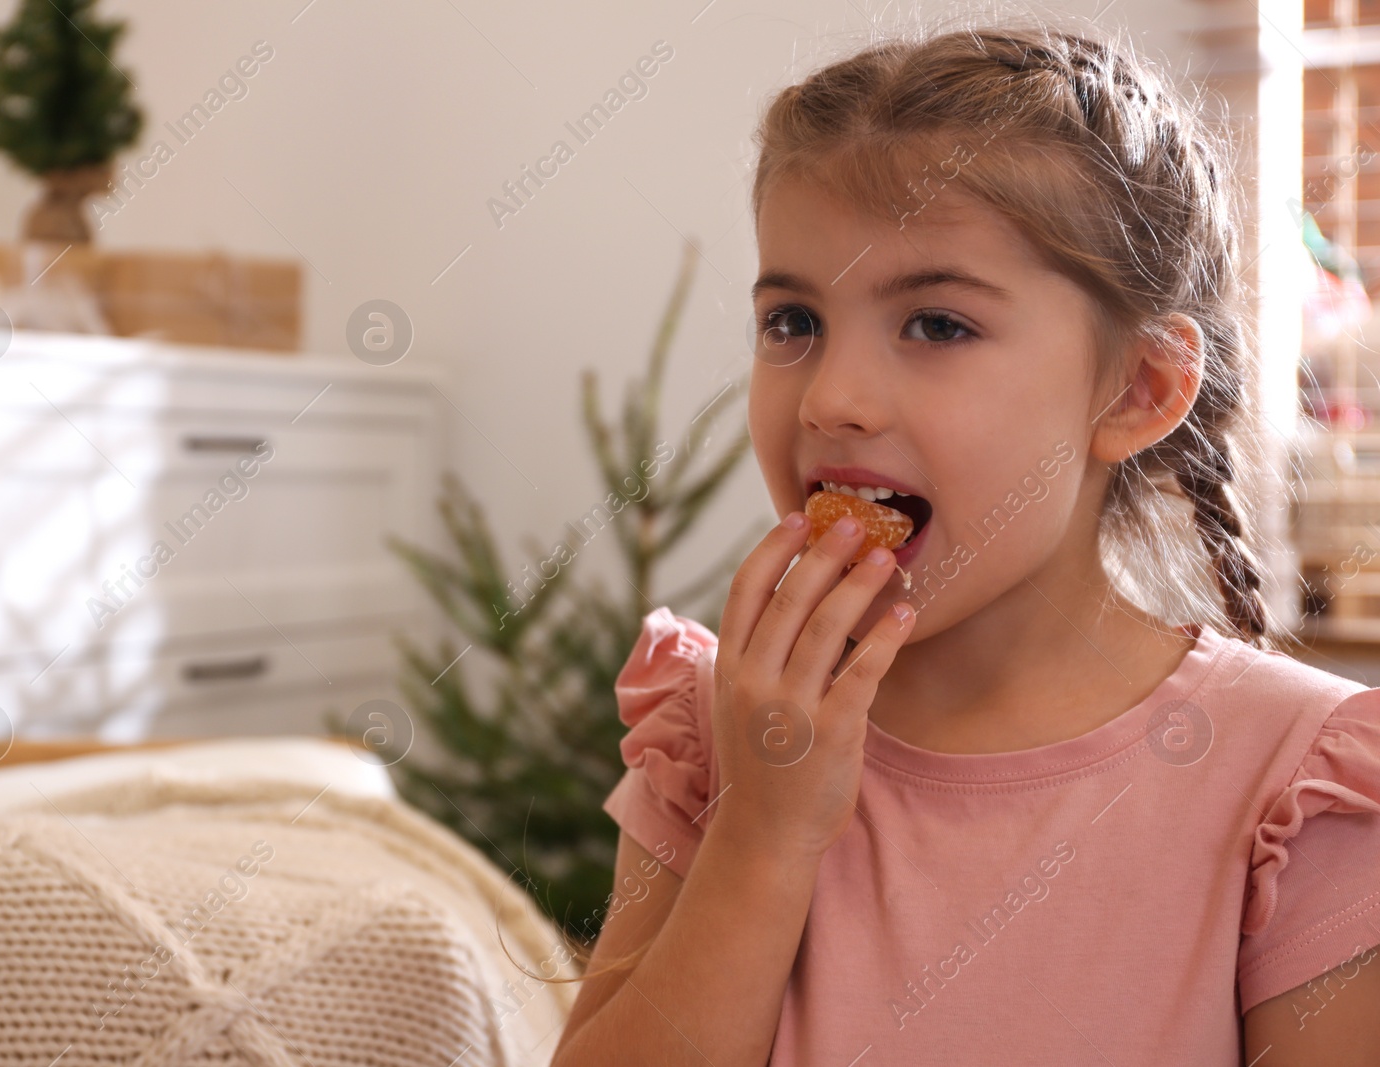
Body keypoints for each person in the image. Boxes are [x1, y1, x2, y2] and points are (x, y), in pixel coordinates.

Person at [549, 18, 1380, 1067]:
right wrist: (762, 833)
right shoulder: (718, 734)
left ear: (1136, 389)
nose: (834, 399)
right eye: (792, 322)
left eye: (936, 324)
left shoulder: (1298, 788)